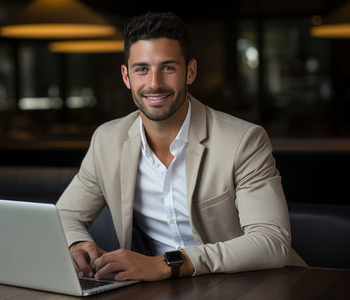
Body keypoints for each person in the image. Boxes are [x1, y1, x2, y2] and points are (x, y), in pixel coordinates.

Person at [56, 11, 306, 282]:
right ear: (126, 76)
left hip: (251, 286)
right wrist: (77, 243)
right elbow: (64, 215)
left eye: (168, 67)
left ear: (190, 71)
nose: (154, 83)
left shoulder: (243, 140)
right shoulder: (107, 141)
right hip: (163, 290)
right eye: (142, 69)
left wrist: (168, 264)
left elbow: (271, 242)